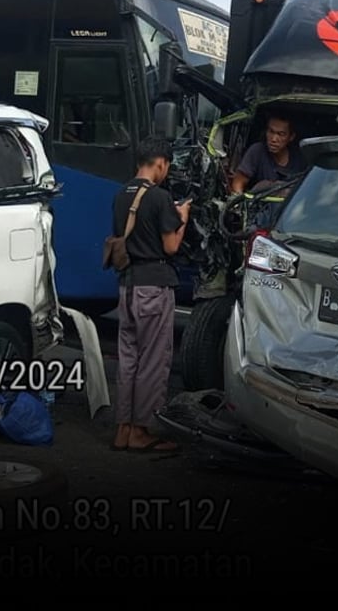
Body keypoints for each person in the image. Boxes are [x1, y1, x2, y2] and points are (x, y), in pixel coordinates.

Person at [110, 136, 190, 452]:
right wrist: (182, 217)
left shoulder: (120, 195)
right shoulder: (159, 197)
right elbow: (170, 246)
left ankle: (122, 430)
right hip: (153, 287)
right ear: (161, 163)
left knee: (129, 360)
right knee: (153, 362)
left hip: (127, 287)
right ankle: (141, 431)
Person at [229, 113, 308, 194]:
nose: (274, 139)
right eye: (271, 132)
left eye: (281, 134)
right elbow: (238, 182)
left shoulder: (300, 157)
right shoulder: (257, 151)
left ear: (291, 137)